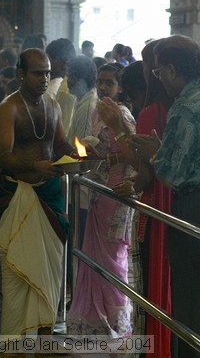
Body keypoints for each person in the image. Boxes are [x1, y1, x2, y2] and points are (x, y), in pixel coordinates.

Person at [0, 48, 74, 338]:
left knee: (49, 278)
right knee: (16, 279)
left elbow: (61, 144)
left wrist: (77, 155)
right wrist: (35, 165)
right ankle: (14, 346)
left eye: (48, 72)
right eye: (38, 73)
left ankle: (44, 344)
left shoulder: (53, 105)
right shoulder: (9, 108)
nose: (44, 78)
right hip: (19, 195)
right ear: (21, 74)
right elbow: (5, 157)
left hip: (49, 196)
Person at [99, 40, 173, 357]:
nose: (148, 72)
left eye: (150, 67)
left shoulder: (151, 112)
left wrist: (116, 127)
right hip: (174, 201)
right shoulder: (178, 106)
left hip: (157, 201)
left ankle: (155, 346)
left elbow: (142, 170)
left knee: (155, 281)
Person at [129, 34, 200, 358]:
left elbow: (172, 176)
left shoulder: (184, 107)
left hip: (192, 206)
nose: (157, 79)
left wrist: (156, 152)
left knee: (188, 298)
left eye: (158, 73)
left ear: (172, 70)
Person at [67, 63, 135, 338]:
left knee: (113, 258)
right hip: (98, 192)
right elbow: (97, 147)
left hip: (117, 193)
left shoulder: (123, 115)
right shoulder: (97, 112)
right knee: (93, 257)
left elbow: (134, 155)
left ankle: (116, 318)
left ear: (120, 88)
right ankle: (92, 320)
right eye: (100, 82)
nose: (104, 87)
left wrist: (104, 157)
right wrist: (87, 152)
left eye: (110, 83)